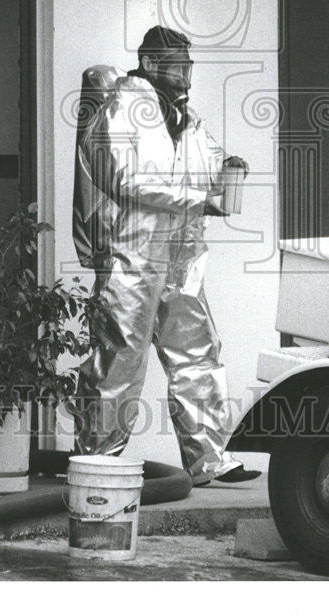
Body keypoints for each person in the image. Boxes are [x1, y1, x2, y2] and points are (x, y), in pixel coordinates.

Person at [72, 25, 259, 485]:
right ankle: (99, 459)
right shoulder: (122, 106)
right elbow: (123, 179)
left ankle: (209, 460)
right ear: (152, 65)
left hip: (182, 253)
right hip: (130, 253)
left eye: (189, 65)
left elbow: (209, 160)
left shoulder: (185, 117)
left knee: (197, 352)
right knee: (119, 357)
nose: (187, 75)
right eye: (179, 66)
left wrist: (228, 167)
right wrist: (196, 198)